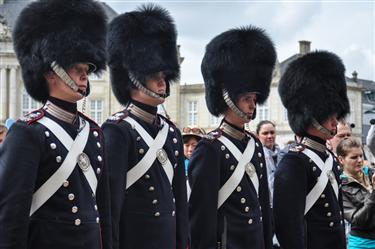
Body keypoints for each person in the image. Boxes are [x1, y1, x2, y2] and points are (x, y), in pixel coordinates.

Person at [0, 0, 111, 248]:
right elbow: (10, 219)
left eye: (87, 68)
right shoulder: (26, 133)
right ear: (51, 72)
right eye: (76, 68)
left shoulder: (93, 133)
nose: (85, 75)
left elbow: (104, 215)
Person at [102, 4, 188, 249]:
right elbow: (112, 207)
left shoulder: (170, 132)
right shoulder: (117, 131)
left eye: (165, 77)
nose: (163, 83)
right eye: (155, 76)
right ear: (133, 77)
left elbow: (179, 203)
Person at [188, 26, 276, 249]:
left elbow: (263, 205)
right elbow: (201, 216)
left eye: (254, 97)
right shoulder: (209, 147)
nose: (252, 104)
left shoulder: (254, 143)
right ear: (227, 97)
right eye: (246, 97)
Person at [274, 51, 349, 249]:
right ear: (312, 114)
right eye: (329, 113)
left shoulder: (329, 158)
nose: (335, 120)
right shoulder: (294, 162)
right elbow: (288, 226)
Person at [337, 137, 375, 249]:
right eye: (354, 157)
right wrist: (374, 193)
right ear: (341, 159)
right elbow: (356, 221)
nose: (359, 160)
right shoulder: (340, 185)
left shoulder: (371, 173)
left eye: (361, 155)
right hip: (362, 243)